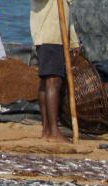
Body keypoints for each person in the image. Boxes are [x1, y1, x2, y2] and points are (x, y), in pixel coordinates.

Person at [30, 0, 79, 143]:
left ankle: (47, 129)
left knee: (48, 82)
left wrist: (73, 40)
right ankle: (53, 130)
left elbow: (66, 13)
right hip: (49, 35)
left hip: (58, 36)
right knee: (52, 81)